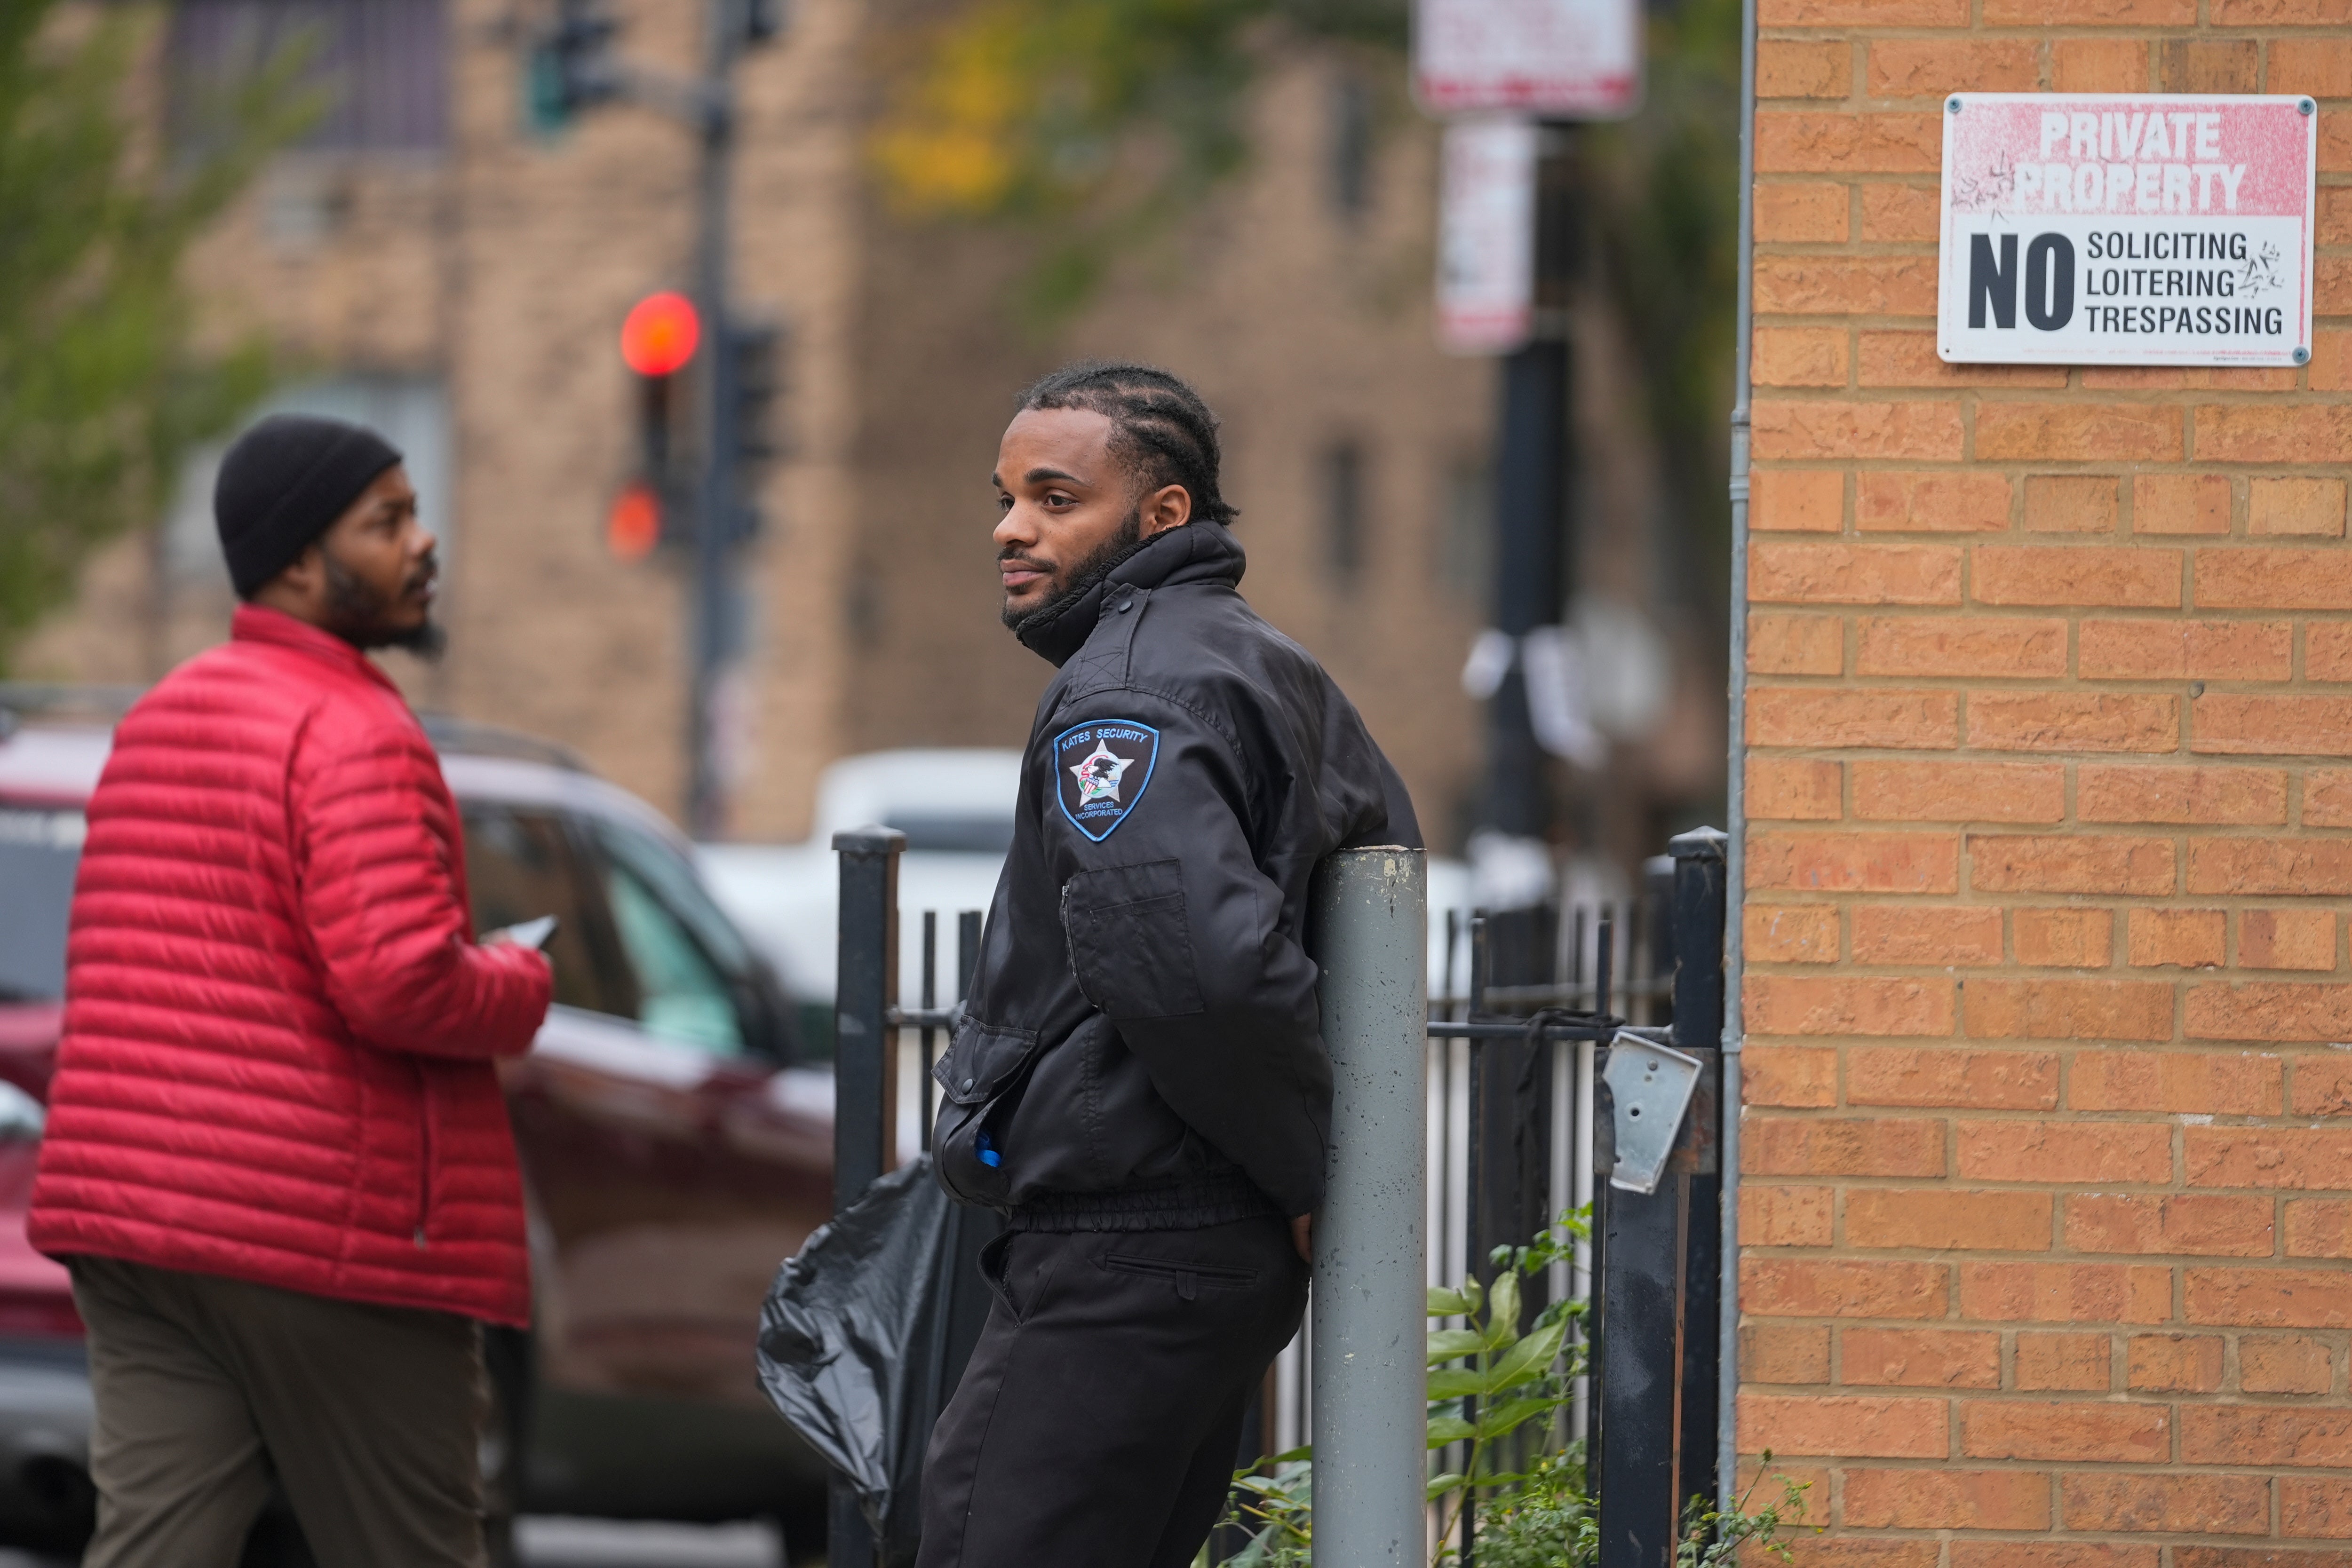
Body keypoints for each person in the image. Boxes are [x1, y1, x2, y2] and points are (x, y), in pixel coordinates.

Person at [27, 414, 554, 1568]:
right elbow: (401, 980)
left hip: (139, 1222)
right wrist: (518, 980)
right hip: (321, 1231)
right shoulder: (355, 729)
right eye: (387, 521)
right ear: (301, 561)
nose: (423, 542)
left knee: (155, 1548)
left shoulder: (160, 715)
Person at [919, 363, 1420, 1567]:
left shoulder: (1130, 693)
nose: (1010, 528)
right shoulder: (1248, 659)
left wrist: (1302, 1165)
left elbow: (1192, 963)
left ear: (1162, 513)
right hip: (1192, 1235)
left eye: (1054, 498)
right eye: (1006, 497)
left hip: (1135, 1238)